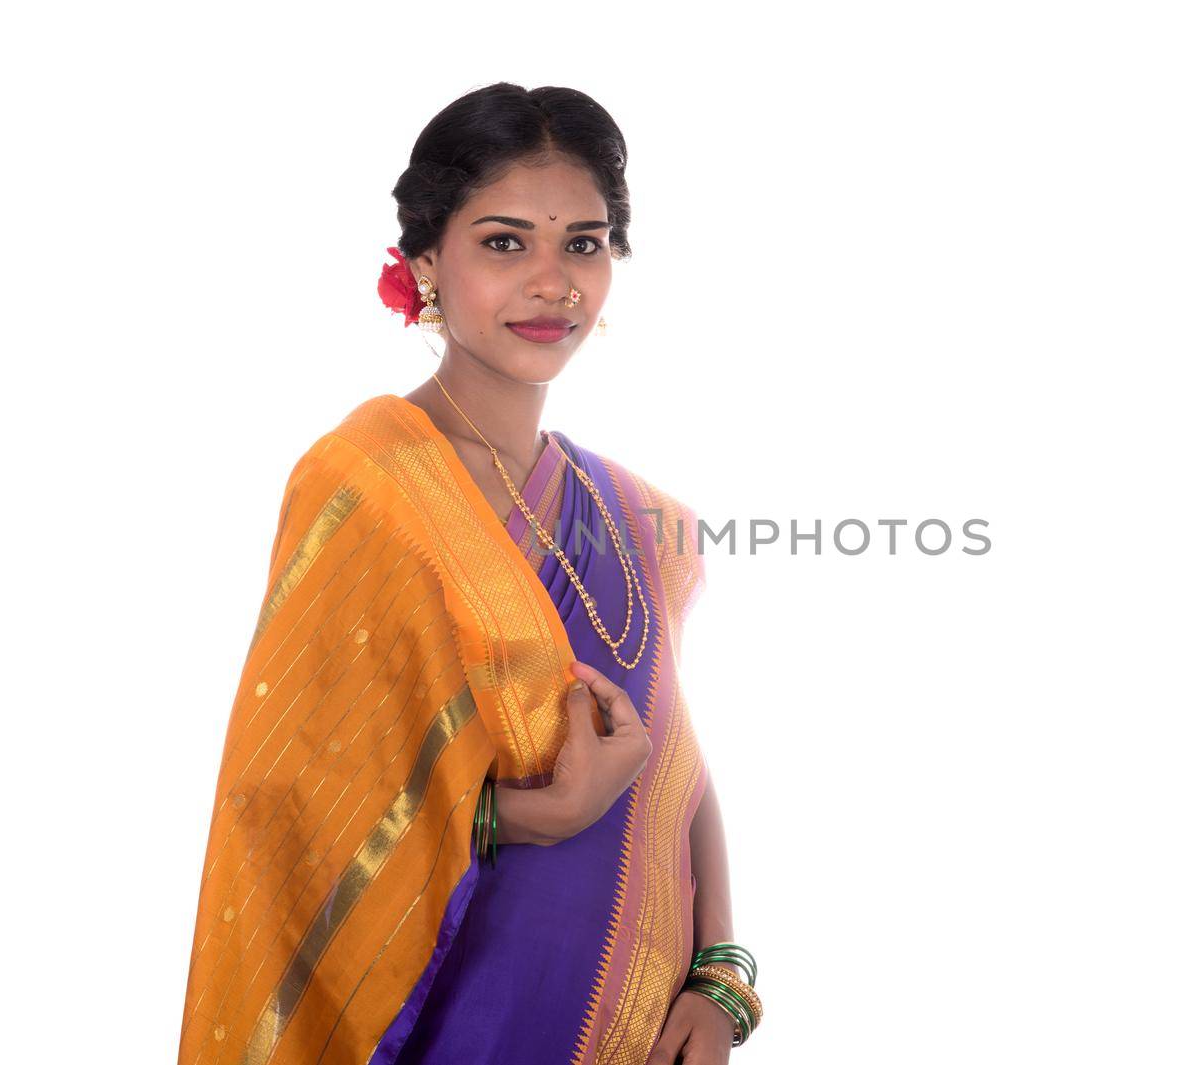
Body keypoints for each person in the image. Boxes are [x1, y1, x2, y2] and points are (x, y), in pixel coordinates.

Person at [176, 82, 762, 1065]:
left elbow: (675, 765)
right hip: (440, 1014)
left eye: (583, 242)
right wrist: (546, 815)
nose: (553, 281)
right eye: (504, 242)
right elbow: (295, 803)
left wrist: (722, 976)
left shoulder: (640, 516)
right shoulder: (367, 485)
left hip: (640, 1024)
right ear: (423, 264)